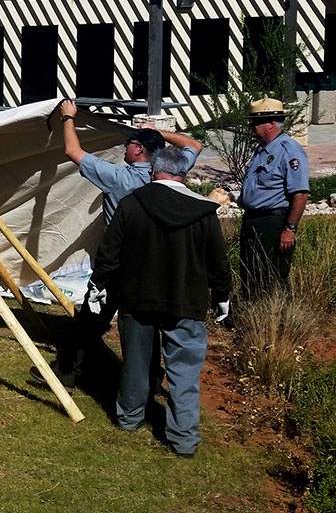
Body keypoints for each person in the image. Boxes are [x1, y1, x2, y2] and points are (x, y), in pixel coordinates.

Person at [32, 99, 203, 391]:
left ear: (137, 149)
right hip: (153, 264)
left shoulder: (120, 178)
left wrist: (68, 118)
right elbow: (194, 145)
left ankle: (67, 373)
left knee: (91, 318)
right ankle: (150, 376)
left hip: (118, 264)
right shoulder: (170, 173)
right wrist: (156, 132)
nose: (124, 148)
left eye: (128, 144)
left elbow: (73, 151)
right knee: (145, 323)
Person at [88, 146, 231, 457]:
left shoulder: (131, 204)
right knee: (184, 372)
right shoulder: (204, 210)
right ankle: (183, 438)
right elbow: (218, 261)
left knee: (136, 364)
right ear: (184, 174)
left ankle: (129, 418)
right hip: (186, 301)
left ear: (153, 172)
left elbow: (109, 252)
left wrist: (97, 285)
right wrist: (222, 297)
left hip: (137, 299)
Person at [237, 97, 309, 298]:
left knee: (273, 274)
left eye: (256, 122)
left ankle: (281, 323)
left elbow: (301, 193)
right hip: (253, 220)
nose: (252, 127)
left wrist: (290, 228)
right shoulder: (262, 149)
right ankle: (254, 320)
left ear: (271, 124)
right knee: (251, 271)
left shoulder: (289, 150)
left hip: (273, 221)